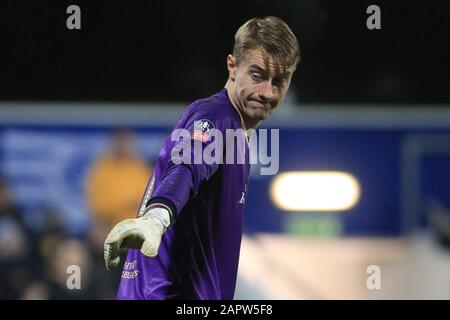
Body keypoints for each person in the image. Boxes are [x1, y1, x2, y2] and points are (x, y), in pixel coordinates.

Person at [104, 16, 300, 300]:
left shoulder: (236, 133)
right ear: (232, 66)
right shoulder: (215, 117)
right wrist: (157, 217)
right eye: (257, 76)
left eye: (279, 81)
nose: (267, 92)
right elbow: (187, 167)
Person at [86, 129, 152, 228]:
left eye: (126, 142)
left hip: (138, 224)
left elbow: (147, 199)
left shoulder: (141, 168)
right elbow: (97, 205)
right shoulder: (102, 168)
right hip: (108, 224)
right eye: (120, 142)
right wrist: (125, 205)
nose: (123, 146)